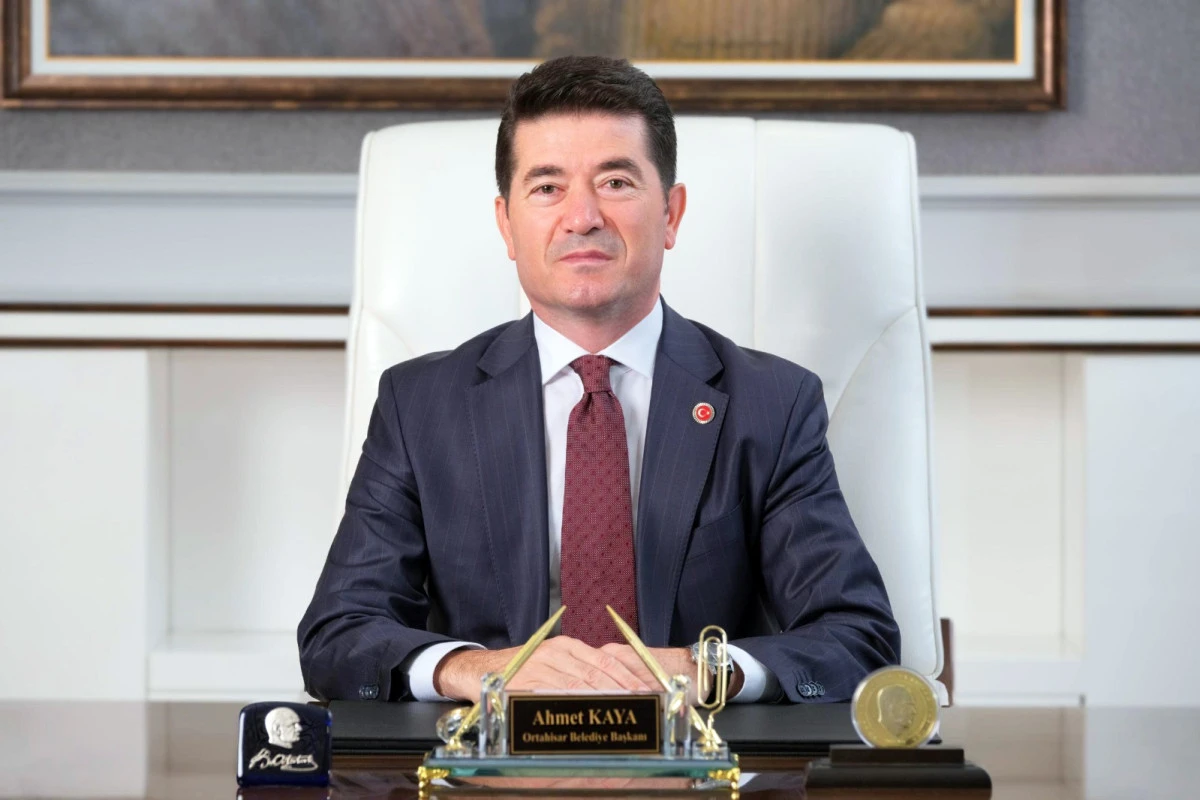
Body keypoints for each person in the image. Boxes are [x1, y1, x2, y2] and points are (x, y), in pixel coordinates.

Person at [298, 55, 900, 705]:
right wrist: (478, 670)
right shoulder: (420, 406)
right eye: (547, 187)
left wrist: (702, 669)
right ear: (506, 224)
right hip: (489, 750)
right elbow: (339, 635)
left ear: (671, 214)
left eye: (615, 182)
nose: (582, 216)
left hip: (694, 748)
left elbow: (856, 637)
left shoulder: (771, 405)